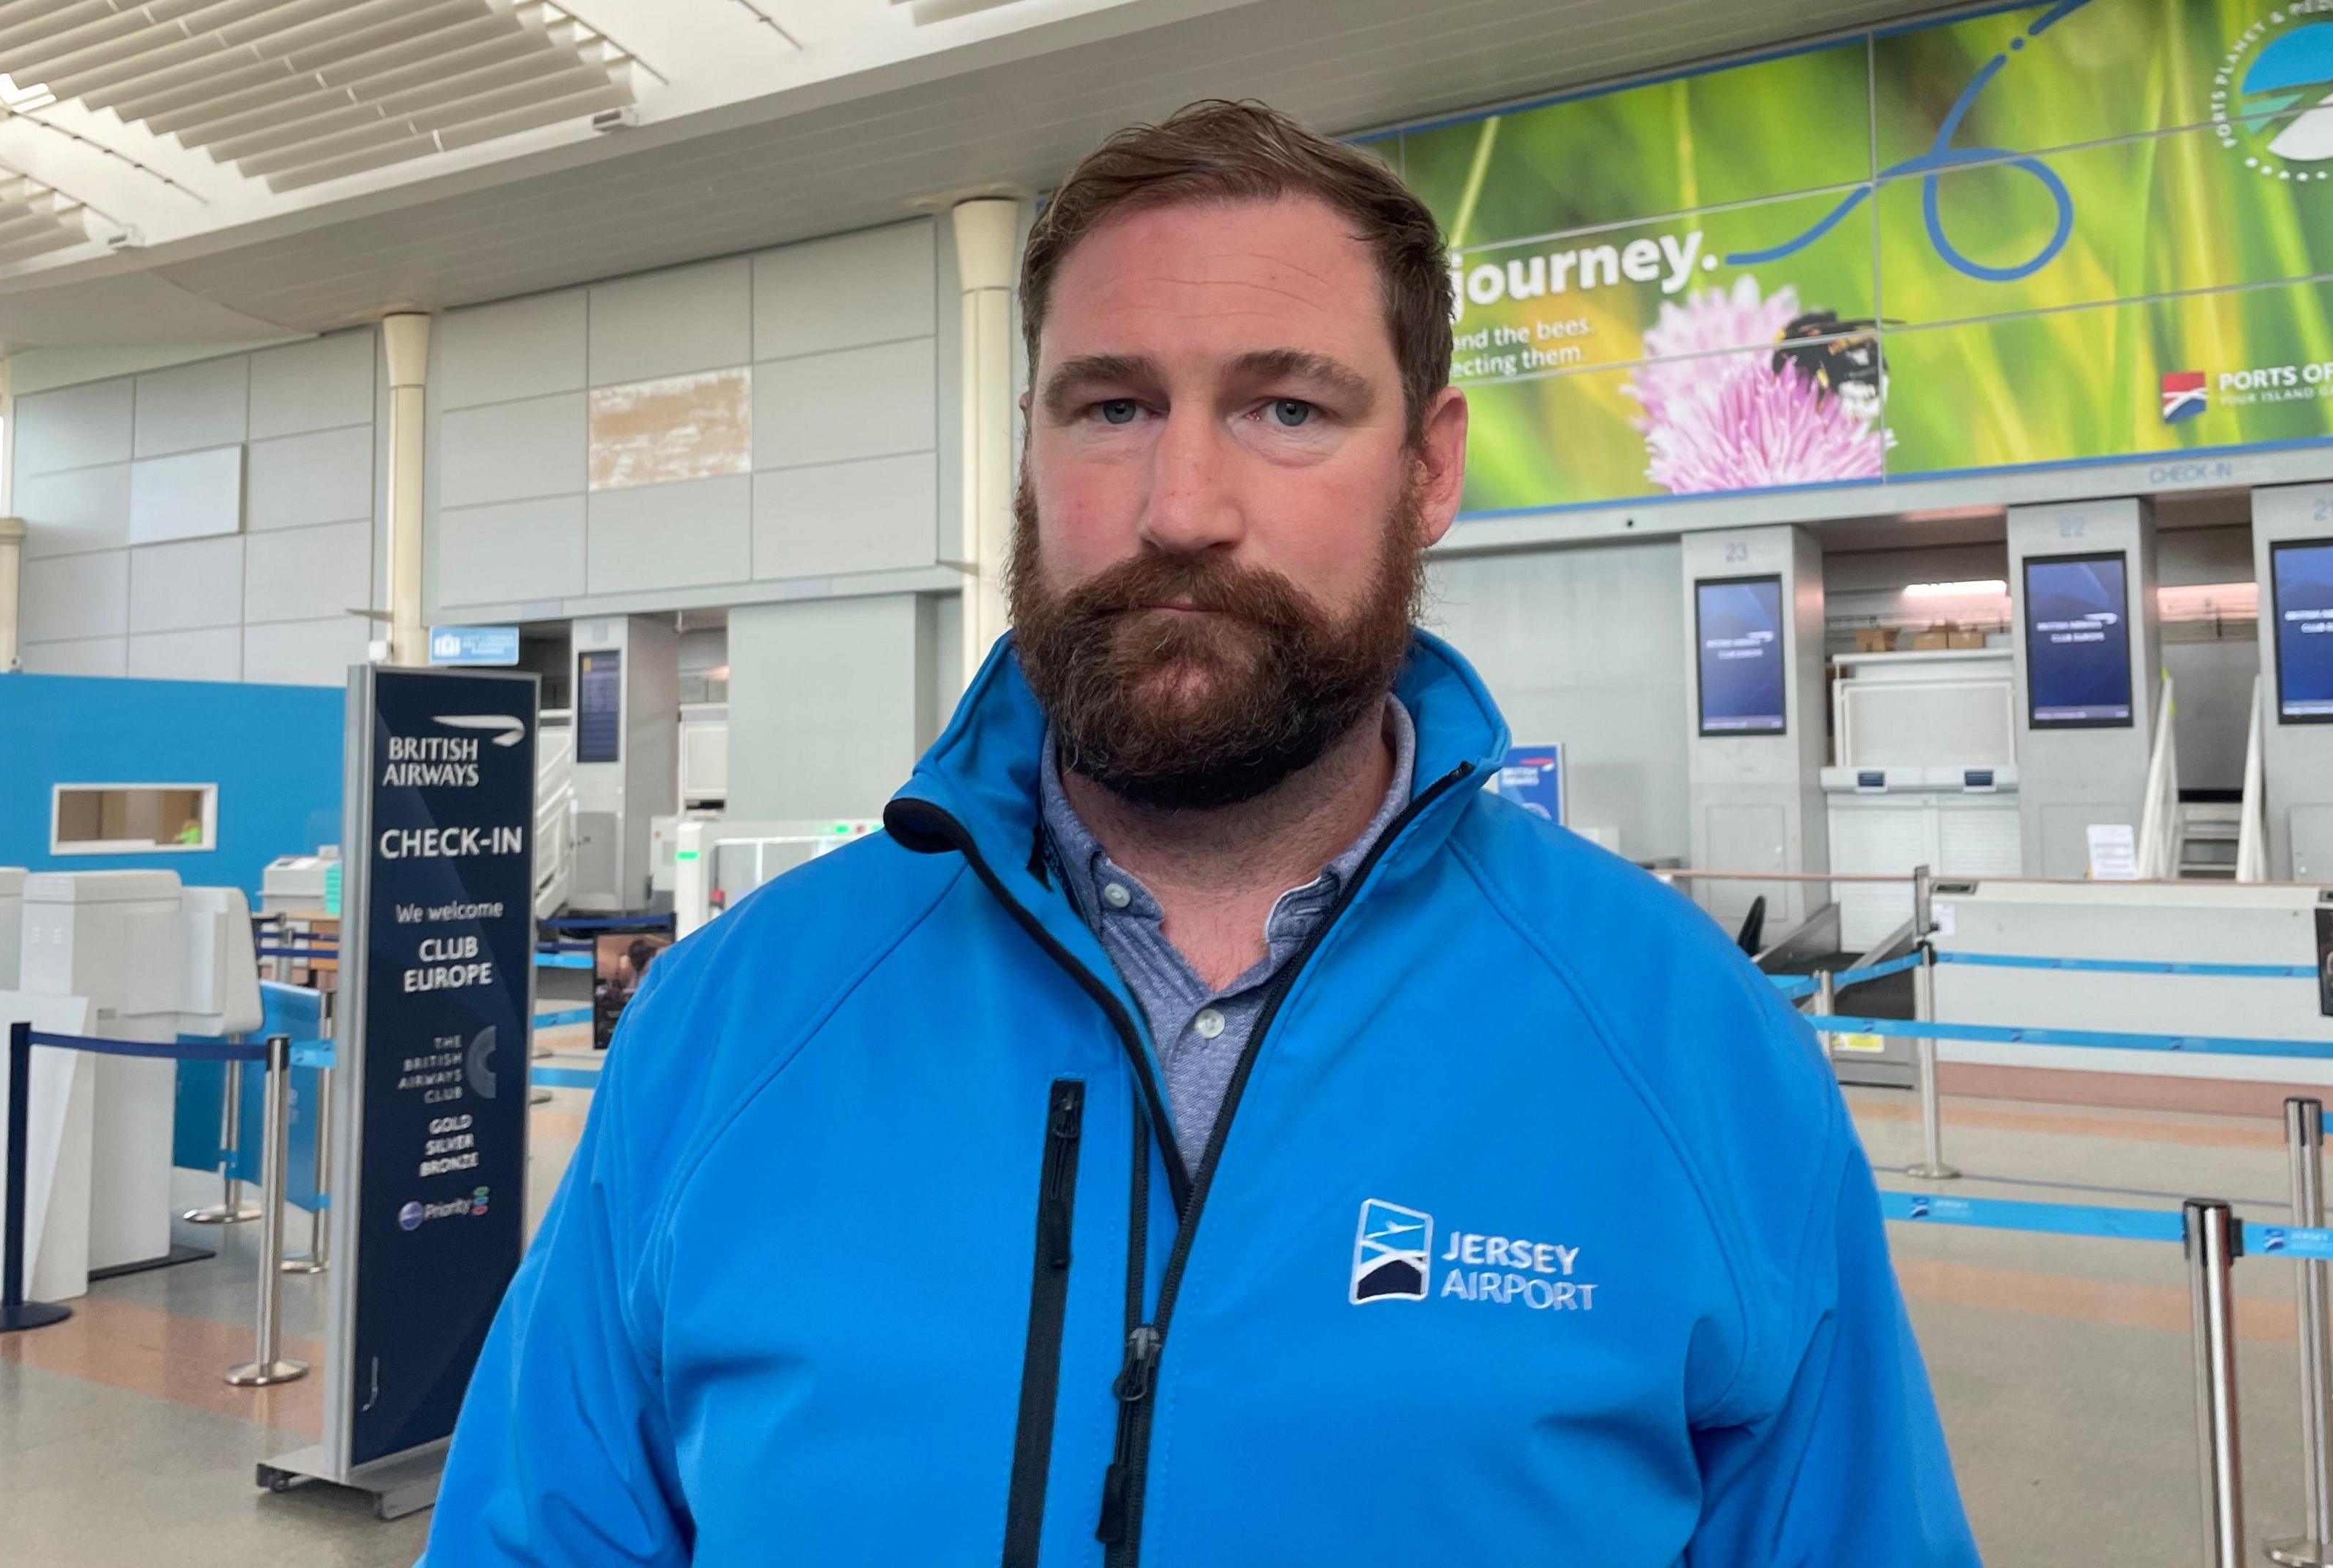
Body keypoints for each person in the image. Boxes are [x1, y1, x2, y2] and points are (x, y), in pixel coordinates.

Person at [426, 100, 1976, 1565]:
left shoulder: (1687, 1044)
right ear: (1030, 454)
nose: (1181, 505)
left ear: (1429, 469)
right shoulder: (731, 1024)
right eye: (1113, 407)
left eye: (1286, 408)